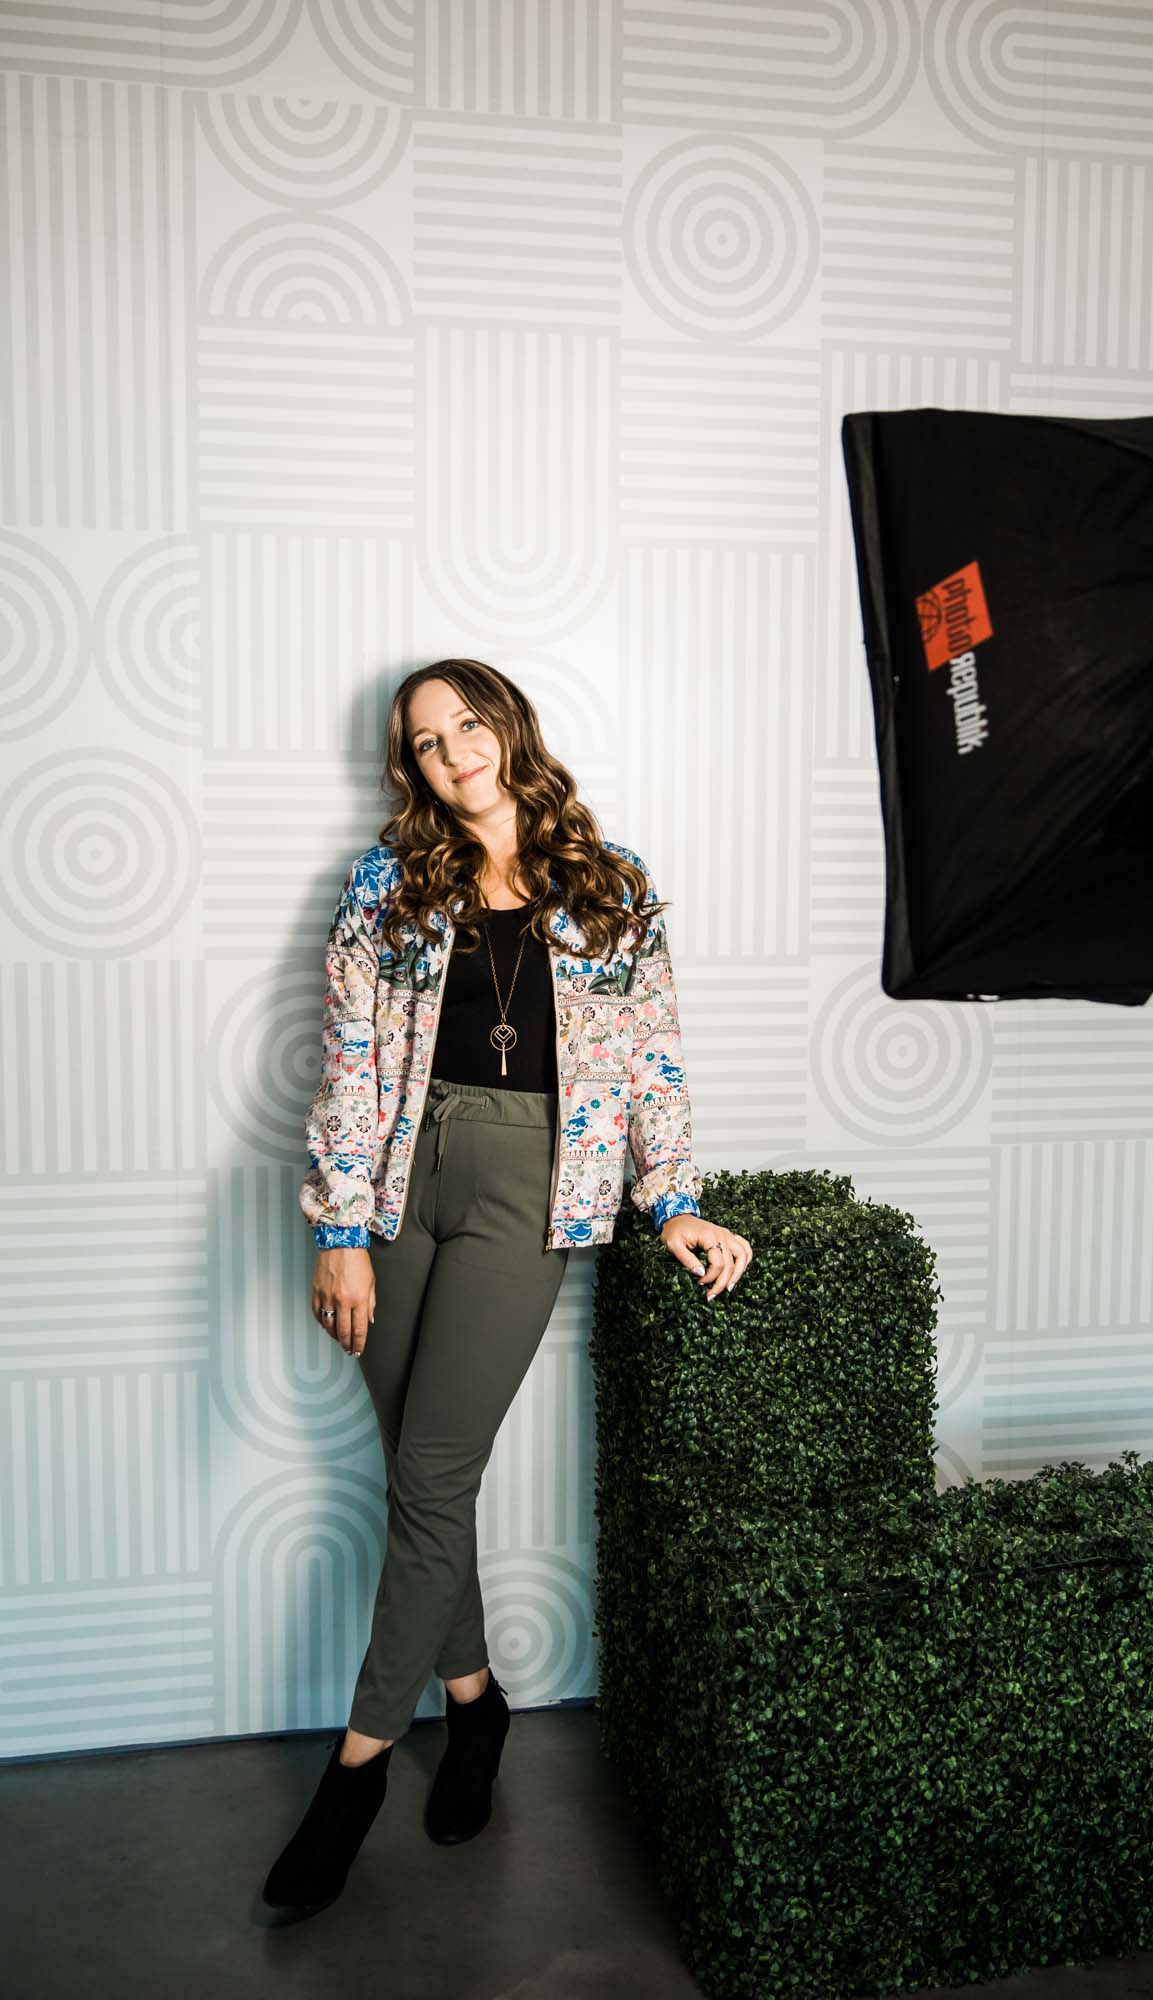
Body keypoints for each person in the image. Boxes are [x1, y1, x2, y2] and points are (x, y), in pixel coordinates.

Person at [262, 657, 752, 1919]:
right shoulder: (389, 877)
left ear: (508, 729)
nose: (450, 752)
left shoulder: (609, 882)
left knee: (431, 1475)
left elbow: (651, 1062)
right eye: (423, 741)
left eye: (466, 724)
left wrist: (676, 1200)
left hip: (531, 1189)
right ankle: (474, 1709)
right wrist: (338, 1226)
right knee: (424, 1476)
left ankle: (353, 1774)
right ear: (410, 766)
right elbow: (353, 1051)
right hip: (390, 1185)